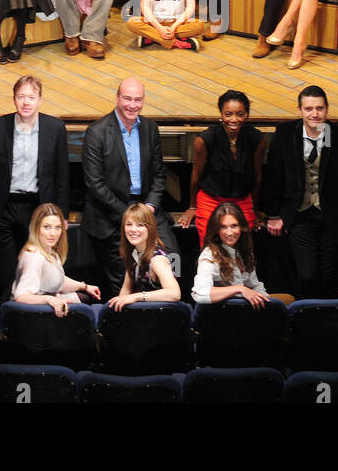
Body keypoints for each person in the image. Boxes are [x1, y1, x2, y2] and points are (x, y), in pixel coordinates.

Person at [81, 77, 180, 299]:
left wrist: (150, 207)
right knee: (125, 275)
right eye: (127, 99)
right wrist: (129, 217)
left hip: (146, 208)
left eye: (138, 100)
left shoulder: (150, 128)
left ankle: (169, 312)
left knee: (174, 260)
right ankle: (130, 318)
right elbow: (95, 184)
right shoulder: (96, 132)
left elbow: (159, 175)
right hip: (111, 213)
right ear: (117, 98)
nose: (132, 105)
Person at [262, 85, 338, 299]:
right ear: (300, 110)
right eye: (309, 109)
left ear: (327, 109)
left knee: (329, 275)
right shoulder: (285, 134)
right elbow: (274, 176)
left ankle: (326, 319)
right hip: (300, 214)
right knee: (306, 274)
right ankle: (305, 316)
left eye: (319, 108)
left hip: (333, 215)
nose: (314, 114)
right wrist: (273, 214)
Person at [0, 76, 70, 300]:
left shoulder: (55, 128)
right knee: (6, 271)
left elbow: (62, 175)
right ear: (14, 99)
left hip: (37, 208)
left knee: (34, 268)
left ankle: (31, 315)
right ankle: (6, 318)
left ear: (40, 100)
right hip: (5, 206)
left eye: (31, 97)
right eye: (21, 97)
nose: (26, 102)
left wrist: (63, 214)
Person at [177, 90, 266, 244]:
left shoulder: (257, 139)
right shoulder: (205, 139)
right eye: (228, 114)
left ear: (246, 115)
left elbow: (257, 178)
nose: (234, 119)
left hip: (242, 200)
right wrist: (193, 206)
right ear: (221, 114)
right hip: (211, 199)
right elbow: (196, 176)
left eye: (239, 114)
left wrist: (255, 209)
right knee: (210, 243)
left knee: (242, 244)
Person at [11, 203, 100, 315]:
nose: (53, 233)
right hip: (35, 315)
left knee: (88, 297)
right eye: (47, 227)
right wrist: (49, 299)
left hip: (47, 307)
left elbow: (57, 280)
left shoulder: (49, 251)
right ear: (36, 228)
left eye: (57, 227)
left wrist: (85, 286)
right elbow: (21, 296)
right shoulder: (35, 257)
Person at [191, 202, 270, 306]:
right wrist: (239, 289)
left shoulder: (244, 250)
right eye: (223, 227)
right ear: (216, 230)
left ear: (242, 227)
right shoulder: (209, 254)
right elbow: (200, 293)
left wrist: (266, 301)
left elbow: (254, 285)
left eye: (234, 226)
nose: (229, 233)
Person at [107, 203, 182, 310]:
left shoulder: (158, 259)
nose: (133, 229)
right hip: (141, 315)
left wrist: (136, 297)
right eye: (129, 224)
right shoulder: (133, 253)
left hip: (160, 317)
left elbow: (175, 293)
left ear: (150, 228)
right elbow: (126, 289)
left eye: (140, 225)